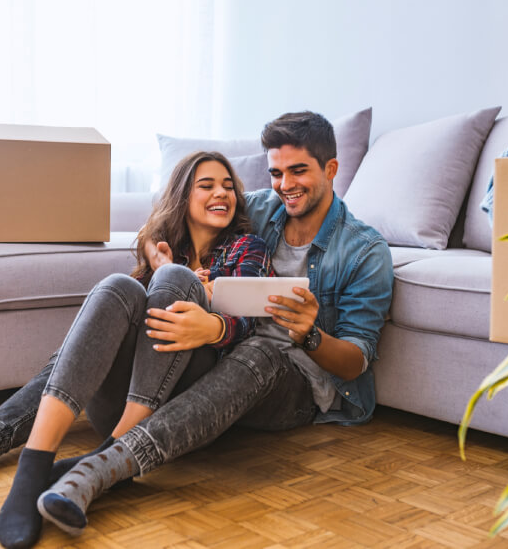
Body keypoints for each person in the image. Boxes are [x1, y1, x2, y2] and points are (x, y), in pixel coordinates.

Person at [0, 151, 273, 548]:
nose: (221, 193)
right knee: (118, 287)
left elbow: (251, 321)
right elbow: (130, 333)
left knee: (178, 281)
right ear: (183, 194)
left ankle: (97, 456)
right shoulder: (162, 247)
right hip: (126, 397)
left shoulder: (247, 248)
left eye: (228, 186)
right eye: (206, 185)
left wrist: (210, 318)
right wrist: (160, 270)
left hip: (181, 404)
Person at [34, 111, 394, 538]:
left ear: (331, 169)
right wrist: (163, 260)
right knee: (127, 307)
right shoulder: (261, 208)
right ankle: (10, 442)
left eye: (299, 171)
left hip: (295, 381)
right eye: (276, 173)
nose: (285, 186)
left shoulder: (365, 251)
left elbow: (355, 364)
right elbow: (167, 215)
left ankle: (100, 470)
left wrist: (310, 334)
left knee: (260, 352)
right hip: (223, 350)